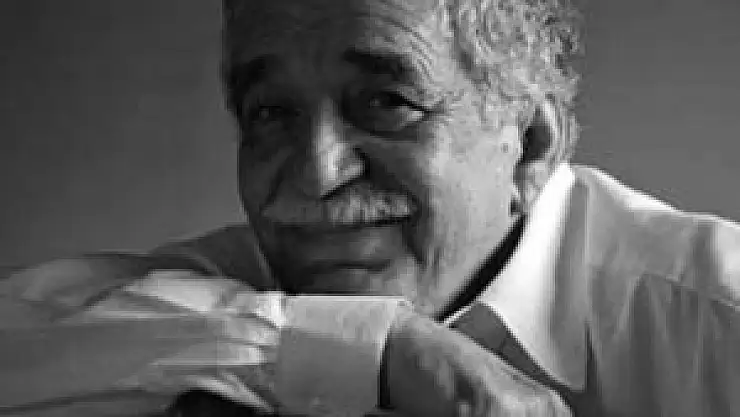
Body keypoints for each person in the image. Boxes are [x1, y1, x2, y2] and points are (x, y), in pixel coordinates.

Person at [1, 0, 740, 416]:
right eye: (270, 112)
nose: (314, 176)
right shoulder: (228, 292)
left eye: (387, 102)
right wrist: (377, 351)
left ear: (529, 144)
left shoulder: (717, 316)